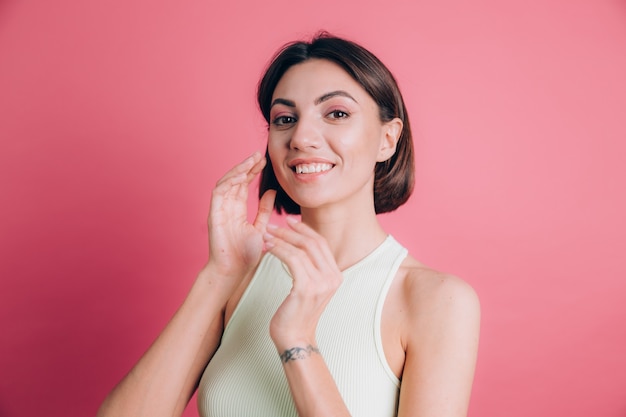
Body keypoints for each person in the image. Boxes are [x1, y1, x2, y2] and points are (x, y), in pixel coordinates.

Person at [97, 33, 480, 417]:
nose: (301, 137)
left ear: (388, 138)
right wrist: (219, 274)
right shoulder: (239, 282)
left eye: (337, 113)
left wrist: (297, 342)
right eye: (285, 119)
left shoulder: (436, 301)